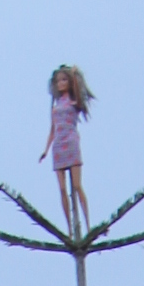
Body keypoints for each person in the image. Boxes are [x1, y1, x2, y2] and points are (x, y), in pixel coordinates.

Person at [40, 64, 92, 236]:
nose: (61, 83)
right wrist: (46, 150)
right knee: (62, 189)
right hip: (58, 146)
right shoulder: (55, 107)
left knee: (77, 186)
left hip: (71, 143)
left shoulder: (74, 102)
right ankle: (69, 229)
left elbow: (79, 96)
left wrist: (75, 75)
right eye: (58, 81)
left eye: (64, 80)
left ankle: (88, 225)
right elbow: (52, 130)